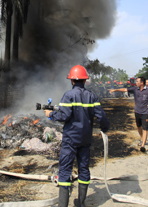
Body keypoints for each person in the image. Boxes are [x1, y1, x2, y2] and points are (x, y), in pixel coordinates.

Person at [44, 65, 110, 207]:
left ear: (72, 81)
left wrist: (50, 115)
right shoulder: (92, 96)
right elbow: (102, 116)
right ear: (84, 81)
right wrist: (105, 128)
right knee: (84, 169)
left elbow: (64, 115)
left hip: (70, 139)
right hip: (85, 139)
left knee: (65, 169)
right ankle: (81, 203)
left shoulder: (69, 95)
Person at [109, 76, 148, 152]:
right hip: (137, 111)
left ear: (142, 83)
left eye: (137, 81)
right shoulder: (135, 89)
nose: (136, 83)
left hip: (145, 112)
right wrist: (114, 90)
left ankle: (143, 145)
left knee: (145, 128)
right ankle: (142, 139)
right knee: (139, 127)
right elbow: (125, 89)